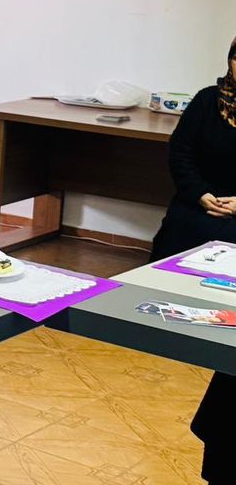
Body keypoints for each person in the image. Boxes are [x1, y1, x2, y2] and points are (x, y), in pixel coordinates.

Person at [150, 35, 236, 485]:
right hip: (200, 200)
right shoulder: (207, 101)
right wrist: (200, 193)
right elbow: (180, 153)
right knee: (185, 229)